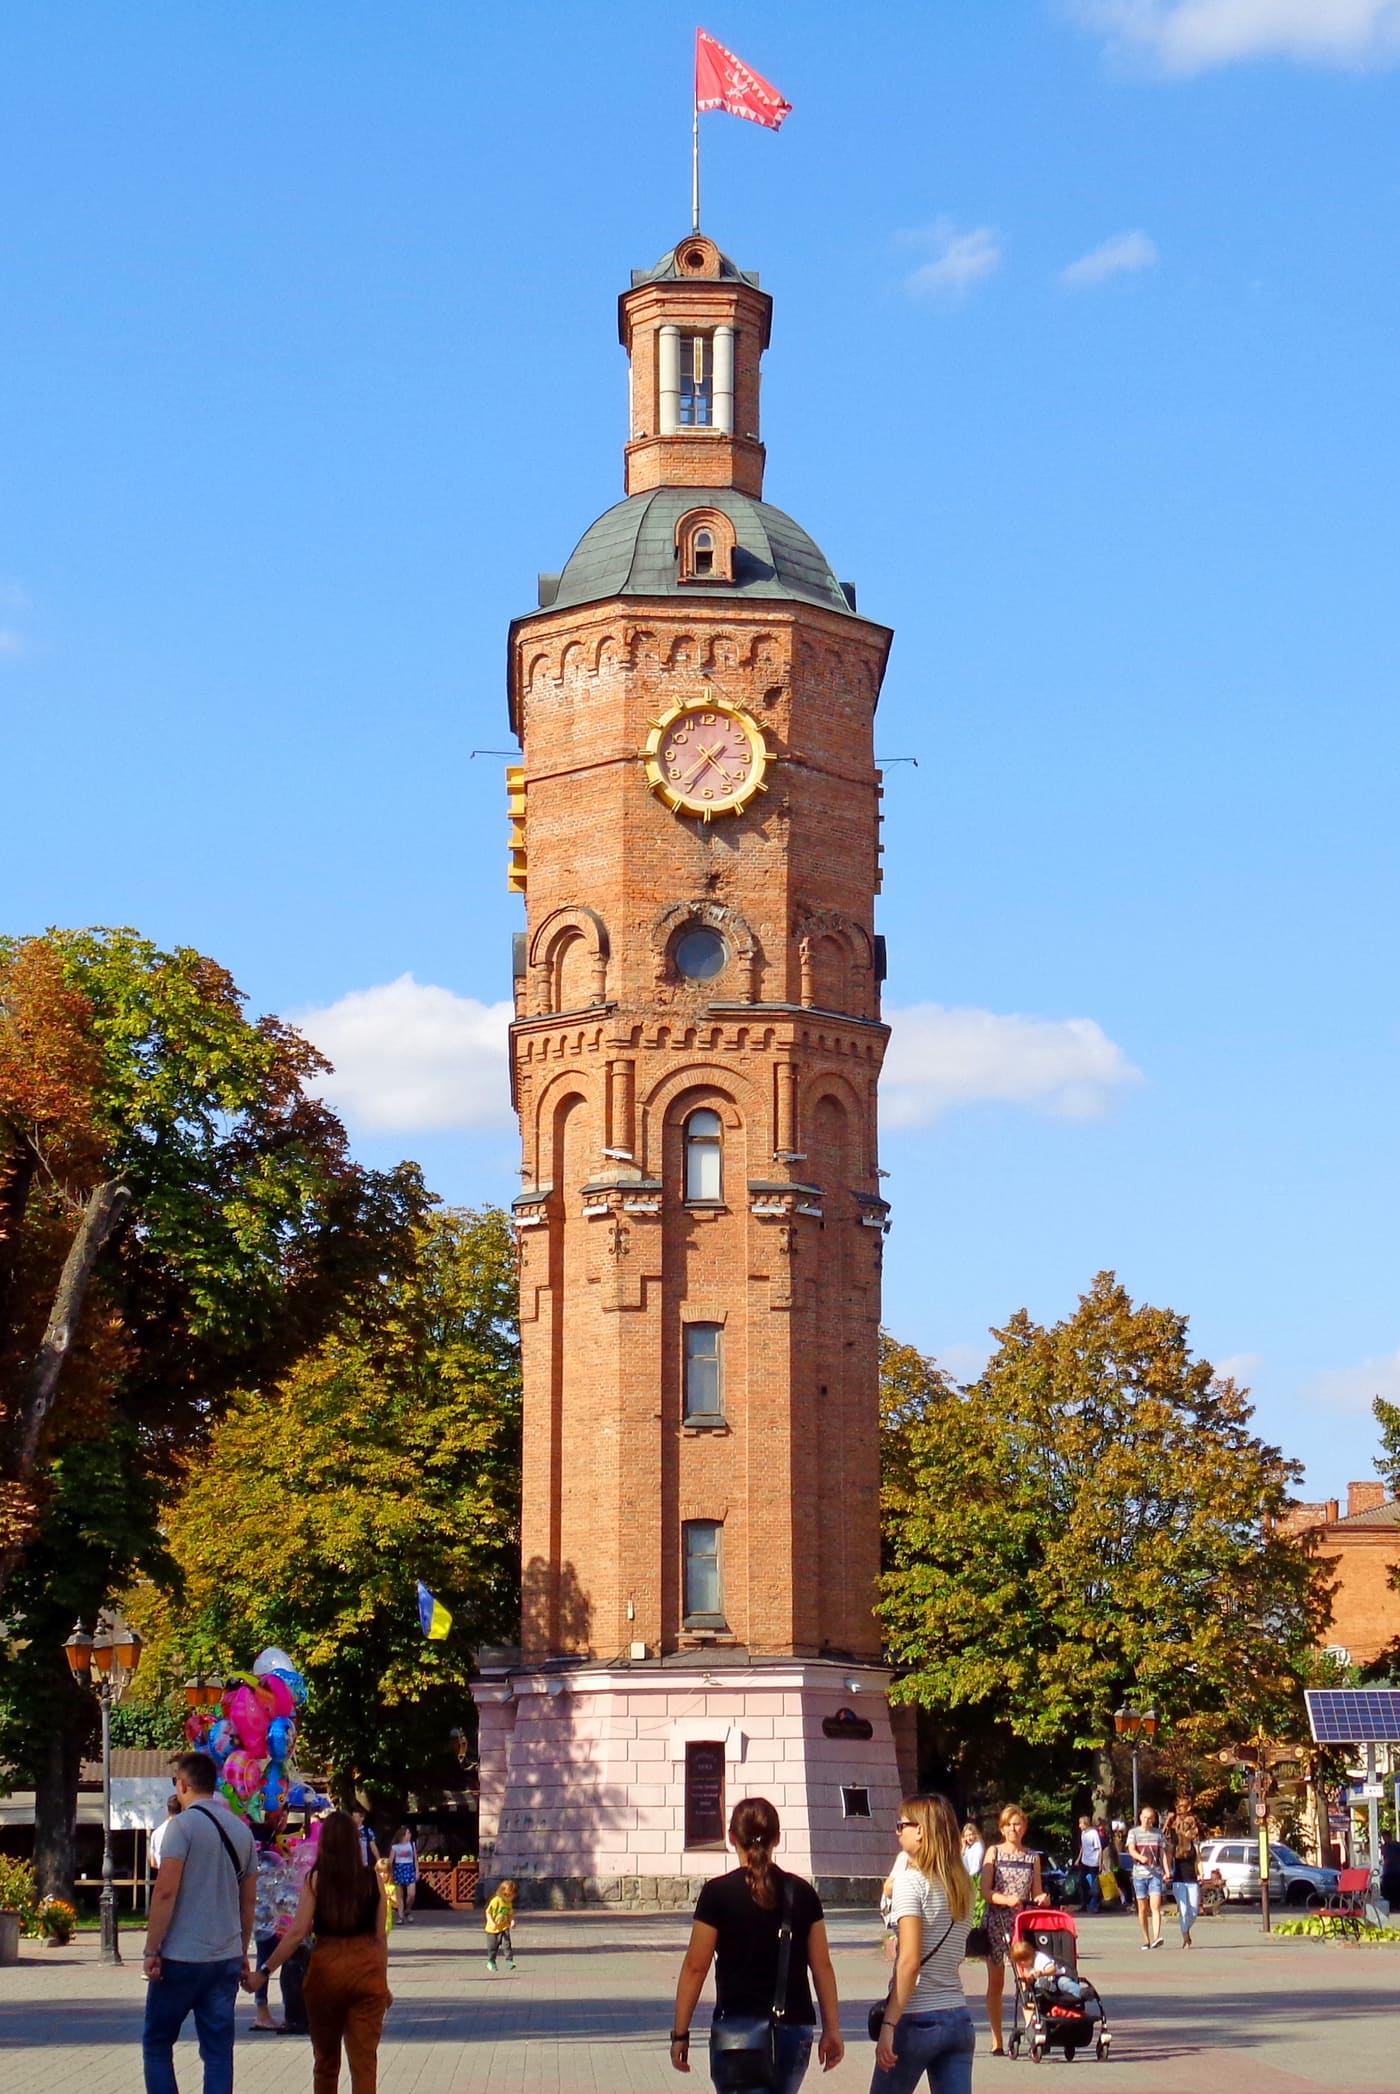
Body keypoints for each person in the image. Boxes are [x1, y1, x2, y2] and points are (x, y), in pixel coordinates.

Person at [670, 1795, 843, 2091]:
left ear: (731, 1837)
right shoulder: (803, 1893)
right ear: (778, 1838)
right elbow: (822, 1966)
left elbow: (695, 1968)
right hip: (794, 2026)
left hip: (737, 2031)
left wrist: (680, 2034)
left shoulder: (717, 1894)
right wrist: (832, 2029)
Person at [248, 1809, 391, 2094]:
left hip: (326, 1972)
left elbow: (297, 1933)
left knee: (325, 2062)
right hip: (367, 1971)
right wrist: (382, 1985)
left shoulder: (315, 1879)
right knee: (365, 2064)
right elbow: (380, 1937)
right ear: (354, 1841)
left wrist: (263, 1973)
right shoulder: (372, 1880)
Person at [141, 1750, 258, 2094]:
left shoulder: (181, 1828)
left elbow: (165, 1892)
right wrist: (241, 1949)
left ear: (183, 1783)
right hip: (224, 1957)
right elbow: (248, 1900)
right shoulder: (241, 1832)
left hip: (182, 1955)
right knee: (219, 2052)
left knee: (158, 2042)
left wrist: (151, 1949)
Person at [872, 1794, 976, 2094]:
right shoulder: (963, 1886)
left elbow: (909, 1961)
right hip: (958, 2017)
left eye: (901, 1824)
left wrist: (889, 2024)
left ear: (921, 1831)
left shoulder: (910, 1882)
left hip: (917, 2017)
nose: (897, 1831)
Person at [980, 1803, 1049, 2058]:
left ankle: (1032, 2031)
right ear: (1001, 1827)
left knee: (1026, 1980)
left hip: (1023, 1924)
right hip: (997, 1922)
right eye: (1008, 1824)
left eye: (1017, 1824)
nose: (1013, 1828)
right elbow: (984, 1891)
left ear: (1024, 1827)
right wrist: (1005, 1899)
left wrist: (1042, 1898)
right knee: (996, 1982)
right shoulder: (994, 1853)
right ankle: (996, 2038)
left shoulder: (1033, 1857)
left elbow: (1037, 1890)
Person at [251, 1835, 310, 2034]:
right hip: (268, 1914)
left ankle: (283, 2012)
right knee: (267, 1957)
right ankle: (264, 2012)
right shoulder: (263, 1840)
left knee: (271, 1959)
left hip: (271, 1913)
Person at [1126, 1806, 1166, 1950]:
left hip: (1155, 1874)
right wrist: (1140, 1857)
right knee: (1142, 1908)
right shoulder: (1133, 1833)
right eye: (1144, 1817)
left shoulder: (1158, 1834)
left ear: (1154, 1820)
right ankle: (1146, 1939)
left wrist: (1166, 1871)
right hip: (1139, 1875)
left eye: (1150, 1818)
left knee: (1155, 1906)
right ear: (1140, 1817)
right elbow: (1131, 1849)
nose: (1147, 1821)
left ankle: (1156, 1937)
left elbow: (1163, 1854)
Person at [1163, 1801, 1201, 1948]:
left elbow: (1198, 1859)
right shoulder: (1174, 1839)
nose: (1189, 1828)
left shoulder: (1194, 1843)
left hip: (1192, 1879)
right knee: (1184, 1910)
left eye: (1190, 1825)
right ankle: (1186, 1937)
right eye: (1186, 1825)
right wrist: (1167, 1872)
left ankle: (1186, 1930)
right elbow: (1167, 1856)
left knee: (1194, 1911)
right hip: (1178, 1878)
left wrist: (1201, 1873)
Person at [1008, 1936, 1087, 2005]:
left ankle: (1081, 1992)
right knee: (1038, 1984)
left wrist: (1042, 1973)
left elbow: (1053, 1969)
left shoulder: (1040, 1958)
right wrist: (1029, 1979)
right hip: (1045, 1985)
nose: (1019, 1965)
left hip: (1056, 1977)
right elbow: (1028, 1976)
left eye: (1019, 1963)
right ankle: (1046, 1991)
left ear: (1024, 1960)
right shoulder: (1027, 1966)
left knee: (1065, 1983)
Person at [484, 1879, 517, 1973]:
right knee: (492, 1947)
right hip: (492, 1929)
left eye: (511, 1896)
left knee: (507, 1944)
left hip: (504, 1927)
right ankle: (491, 1961)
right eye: (507, 1895)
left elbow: (510, 1914)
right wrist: (491, 1922)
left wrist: (512, 1921)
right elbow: (488, 1912)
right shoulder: (496, 1901)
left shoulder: (508, 1903)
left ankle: (509, 1961)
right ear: (502, 1893)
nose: (509, 1898)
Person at [387, 1826, 418, 1925]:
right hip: (399, 1869)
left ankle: (408, 1910)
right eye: (408, 1833)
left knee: (411, 1894)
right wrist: (391, 1872)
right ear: (403, 1835)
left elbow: (415, 1859)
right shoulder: (395, 1847)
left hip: (409, 1868)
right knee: (399, 1896)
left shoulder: (412, 1844)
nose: (410, 1835)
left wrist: (417, 1871)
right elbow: (390, 1861)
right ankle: (400, 1917)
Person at [1075, 1816, 1102, 1914]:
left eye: (1080, 1823)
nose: (1079, 1826)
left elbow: (1099, 1848)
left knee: (1094, 1884)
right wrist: (1078, 1859)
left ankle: (1095, 1904)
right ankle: (1084, 1903)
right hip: (1084, 1861)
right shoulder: (1083, 1833)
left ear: (1085, 1824)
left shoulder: (1093, 1833)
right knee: (1082, 1882)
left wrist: (1100, 1862)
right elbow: (1083, 1847)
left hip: (1093, 1862)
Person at [151, 1792, 183, 1871]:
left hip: (162, 1875)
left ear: (167, 1809)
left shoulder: (156, 1833)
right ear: (183, 1809)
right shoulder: (184, 1831)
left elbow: (153, 1862)